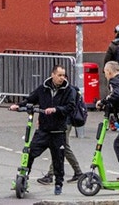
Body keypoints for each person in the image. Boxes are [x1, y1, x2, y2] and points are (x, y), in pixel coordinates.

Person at [22, 65, 81, 195]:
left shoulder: (69, 90)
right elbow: (31, 99)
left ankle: (58, 184)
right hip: (43, 130)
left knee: (58, 160)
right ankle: (24, 177)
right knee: (30, 153)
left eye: (64, 75)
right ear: (53, 75)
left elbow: (70, 107)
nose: (62, 78)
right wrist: (19, 105)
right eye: (59, 75)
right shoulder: (43, 88)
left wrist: (56, 109)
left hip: (58, 131)